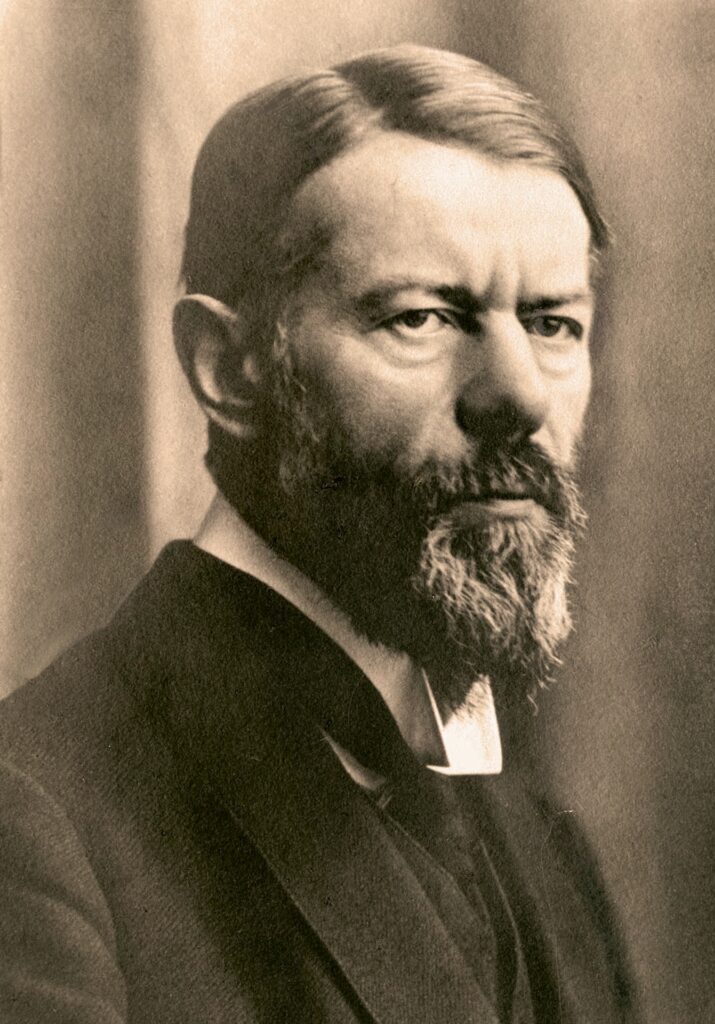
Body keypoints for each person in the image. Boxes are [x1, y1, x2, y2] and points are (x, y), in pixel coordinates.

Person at [0, 45, 639, 1024]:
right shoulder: (37, 818)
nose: (518, 394)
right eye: (423, 318)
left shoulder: (548, 851)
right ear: (229, 369)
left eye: (552, 324)